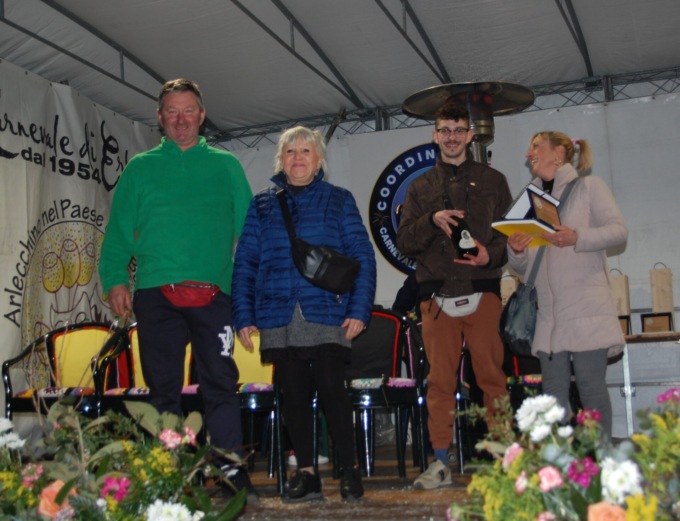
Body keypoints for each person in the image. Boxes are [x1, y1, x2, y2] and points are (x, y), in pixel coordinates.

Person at [98, 78, 257, 499]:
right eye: (172, 111)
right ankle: (167, 477)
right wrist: (115, 279)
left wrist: (248, 291)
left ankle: (230, 471)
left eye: (189, 111)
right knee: (162, 390)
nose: (181, 119)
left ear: (202, 115)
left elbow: (250, 234)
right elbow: (118, 233)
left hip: (215, 296)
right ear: (160, 118)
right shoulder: (139, 168)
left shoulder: (226, 166)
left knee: (220, 384)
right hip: (155, 295)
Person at [232, 126, 376, 503]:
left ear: (319, 159)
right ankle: (308, 474)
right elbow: (246, 262)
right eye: (290, 151)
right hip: (278, 312)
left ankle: (349, 470)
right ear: (280, 160)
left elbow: (362, 255)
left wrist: (359, 309)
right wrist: (243, 314)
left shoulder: (339, 200)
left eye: (306, 151)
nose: (298, 158)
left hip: (327, 309)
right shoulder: (262, 205)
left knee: (332, 390)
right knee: (293, 395)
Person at [396, 101, 512, 489]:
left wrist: (489, 255)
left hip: (483, 290)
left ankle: (504, 458)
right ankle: (441, 462)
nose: (451, 137)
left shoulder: (494, 181)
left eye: (459, 130)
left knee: (492, 377)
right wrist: (431, 221)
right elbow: (405, 242)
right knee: (440, 382)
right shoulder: (419, 187)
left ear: (470, 135)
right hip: (436, 297)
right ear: (434, 135)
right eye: (445, 130)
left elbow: (509, 236)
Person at [507, 131, 628, 438]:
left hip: (587, 310)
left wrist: (577, 237)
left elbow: (619, 232)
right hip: (548, 316)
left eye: (536, 146)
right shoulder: (530, 201)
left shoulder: (590, 187)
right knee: (552, 395)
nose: (529, 153)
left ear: (559, 153)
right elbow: (523, 267)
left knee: (590, 387)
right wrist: (516, 251)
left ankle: (600, 458)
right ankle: (561, 462)